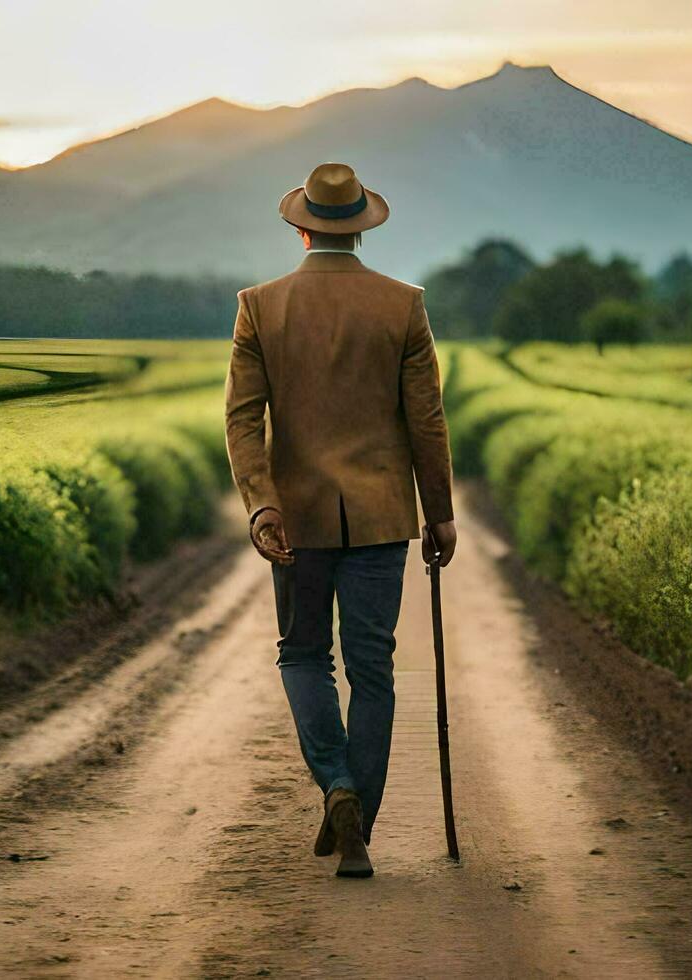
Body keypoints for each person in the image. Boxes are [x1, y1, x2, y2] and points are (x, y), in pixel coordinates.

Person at [224, 162, 458, 878]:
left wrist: (262, 502)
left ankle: (338, 787)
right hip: (384, 520)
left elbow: (242, 418)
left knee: (301, 656)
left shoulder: (260, 306)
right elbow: (427, 420)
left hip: (294, 521)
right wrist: (439, 514)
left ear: (300, 227)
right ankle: (359, 820)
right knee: (373, 669)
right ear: (360, 229)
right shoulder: (403, 305)